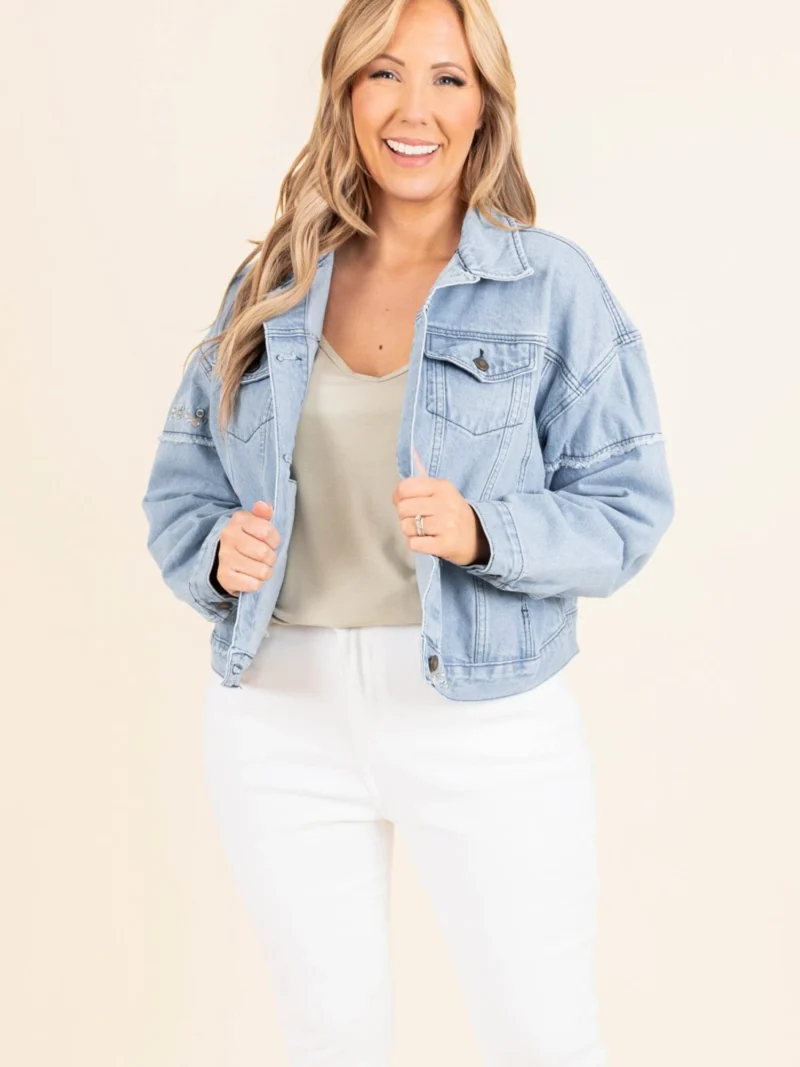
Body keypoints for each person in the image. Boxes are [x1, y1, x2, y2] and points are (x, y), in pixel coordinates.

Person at [141, 0, 675, 1063]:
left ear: (484, 107)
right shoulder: (273, 282)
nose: (413, 108)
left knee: (539, 1035)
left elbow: (628, 506)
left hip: (483, 713)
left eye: (447, 78)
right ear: (346, 93)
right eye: (384, 74)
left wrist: (485, 532)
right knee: (328, 1036)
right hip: (279, 712)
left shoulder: (549, 287)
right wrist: (215, 554)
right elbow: (180, 488)